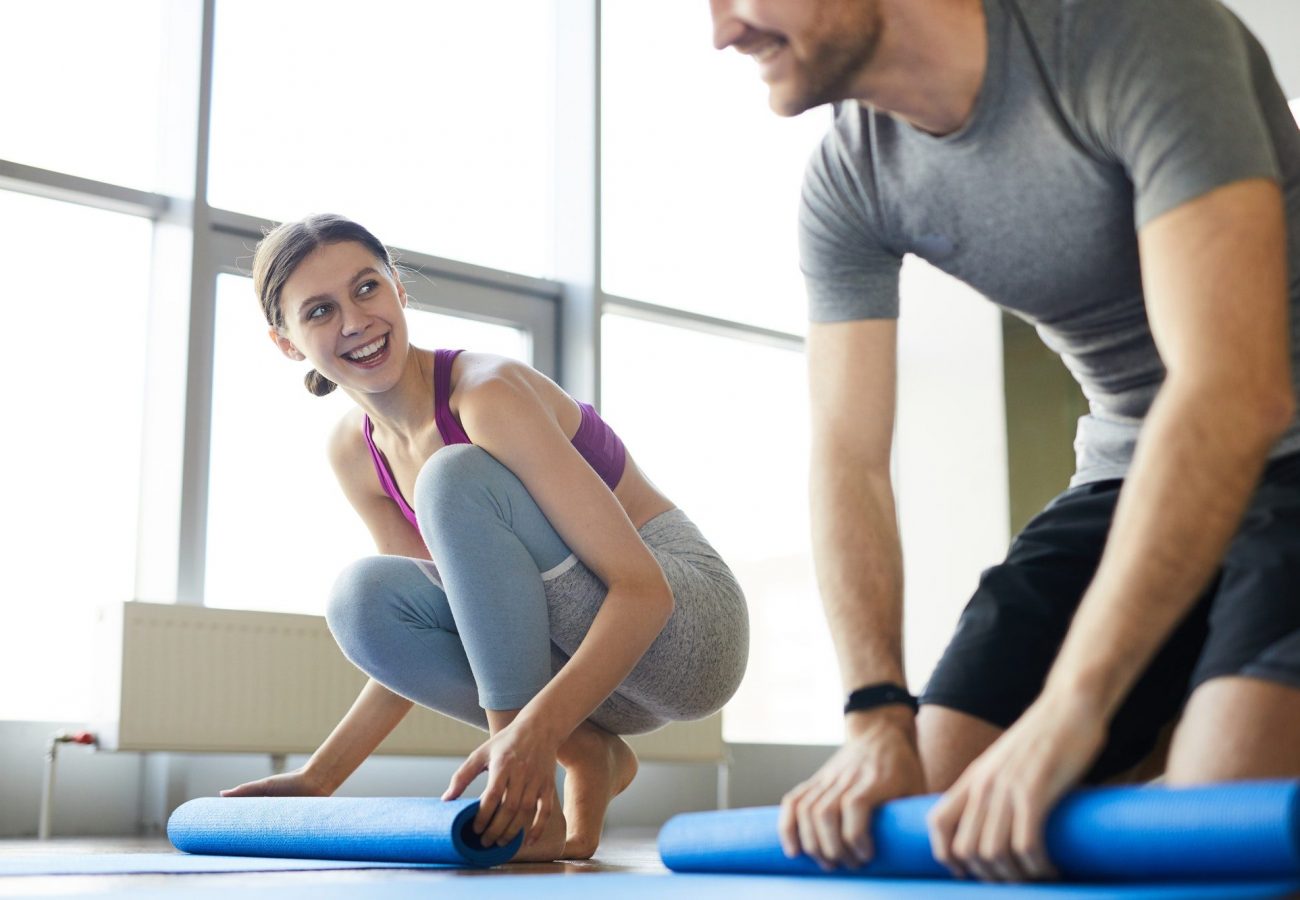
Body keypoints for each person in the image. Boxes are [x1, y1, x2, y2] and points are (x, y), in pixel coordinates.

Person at [711, 0, 1300, 882]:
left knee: (1218, 831)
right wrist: (876, 714)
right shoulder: (850, 176)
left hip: (1275, 433)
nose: (722, 30)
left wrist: (1074, 706)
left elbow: (1234, 389)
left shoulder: (1133, 30)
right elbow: (849, 457)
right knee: (938, 811)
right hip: (1126, 468)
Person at [219, 214, 748, 861]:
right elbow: (440, 623)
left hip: (686, 629)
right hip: (592, 679)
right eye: (321, 311)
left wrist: (527, 740)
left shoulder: (485, 393)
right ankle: (588, 751)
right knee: (362, 600)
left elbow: (644, 592)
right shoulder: (356, 454)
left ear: (398, 288)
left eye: (366, 288)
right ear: (287, 342)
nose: (354, 321)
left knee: (453, 477)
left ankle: (525, 798)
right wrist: (320, 777)